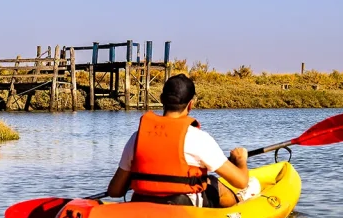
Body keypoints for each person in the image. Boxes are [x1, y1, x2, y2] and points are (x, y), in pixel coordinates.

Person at [105, 74, 260, 207]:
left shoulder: (136, 138)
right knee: (212, 182)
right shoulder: (198, 139)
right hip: (181, 207)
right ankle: (240, 200)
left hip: (142, 203)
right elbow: (241, 181)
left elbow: (115, 191)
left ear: (161, 100)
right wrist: (241, 161)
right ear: (190, 104)